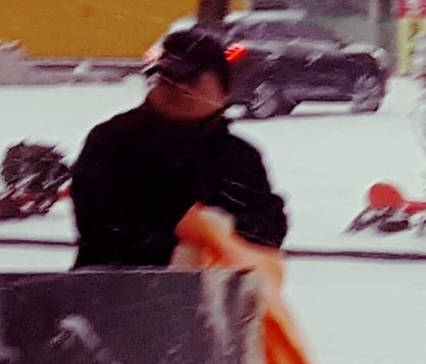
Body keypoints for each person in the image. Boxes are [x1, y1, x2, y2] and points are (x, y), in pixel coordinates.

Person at [71, 27, 287, 270]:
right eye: (165, 79)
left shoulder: (239, 155)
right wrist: (180, 250)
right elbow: (103, 226)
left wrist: (223, 245)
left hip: (216, 298)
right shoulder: (113, 141)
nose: (176, 89)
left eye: (190, 80)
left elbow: (266, 225)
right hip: (116, 294)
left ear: (222, 89)